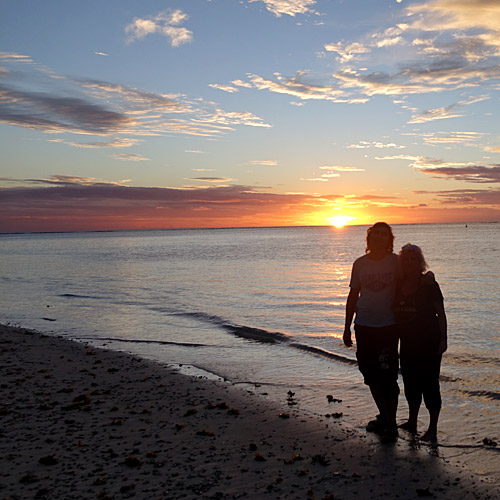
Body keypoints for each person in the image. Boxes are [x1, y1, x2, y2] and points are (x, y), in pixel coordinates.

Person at [343, 222, 400, 443]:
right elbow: (352, 296)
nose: (379, 238)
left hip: (388, 327)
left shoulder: (396, 262)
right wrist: (347, 327)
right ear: (369, 239)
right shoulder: (360, 264)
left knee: (388, 377)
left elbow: (413, 280)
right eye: (375, 234)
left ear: (389, 239)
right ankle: (385, 416)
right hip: (364, 326)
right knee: (370, 375)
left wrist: (429, 278)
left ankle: (392, 423)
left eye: (383, 235)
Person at [394, 243, 447, 443]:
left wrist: (444, 339)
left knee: (430, 385)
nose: (409, 262)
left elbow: (441, 313)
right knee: (410, 384)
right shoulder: (398, 284)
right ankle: (412, 421)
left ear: (420, 261)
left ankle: (432, 429)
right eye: (406, 259)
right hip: (407, 343)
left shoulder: (429, 284)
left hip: (429, 342)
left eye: (413, 259)